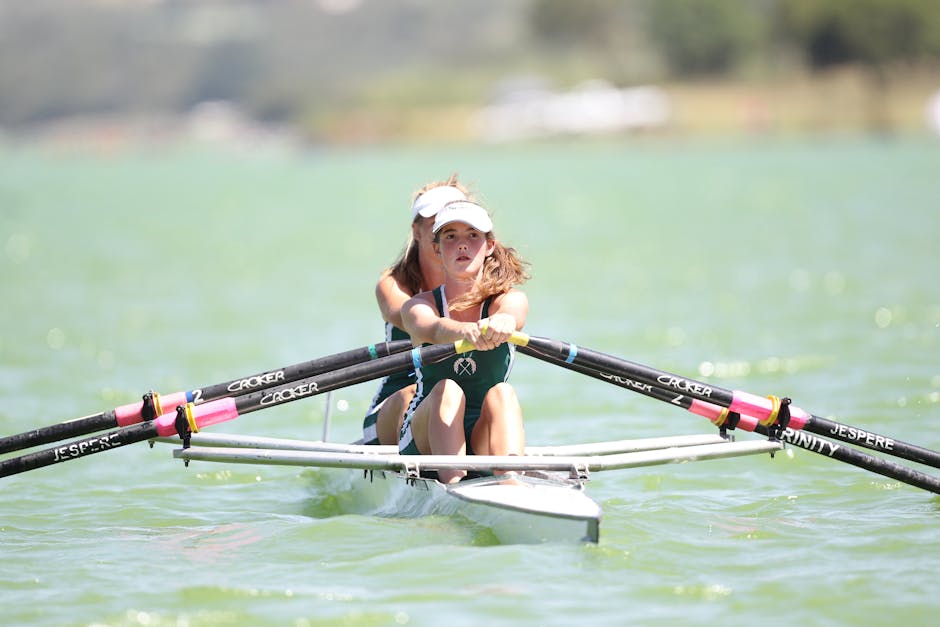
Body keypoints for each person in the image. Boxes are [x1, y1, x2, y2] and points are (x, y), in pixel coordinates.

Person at [398, 199, 530, 483]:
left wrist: (503, 323)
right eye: (450, 237)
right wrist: (462, 331)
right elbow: (432, 328)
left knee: (503, 393)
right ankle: (452, 485)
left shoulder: (508, 300)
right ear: (436, 249)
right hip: (426, 440)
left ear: (490, 246)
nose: (462, 245)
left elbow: (512, 314)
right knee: (447, 389)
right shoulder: (418, 305)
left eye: (472, 236)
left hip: (483, 432)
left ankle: (510, 481)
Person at [361, 176, 472, 445]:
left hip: (462, 402)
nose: (448, 237)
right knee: (416, 394)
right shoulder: (393, 284)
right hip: (397, 403)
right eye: (438, 227)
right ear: (417, 231)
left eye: (458, 228)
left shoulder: (488, 285)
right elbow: (415, 323)